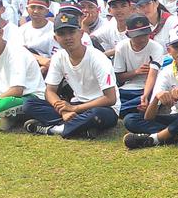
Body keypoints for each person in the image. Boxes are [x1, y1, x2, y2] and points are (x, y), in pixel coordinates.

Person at [22, 9, 120, 138]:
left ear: (81, 33)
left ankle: (55, 129)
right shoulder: (58, 57)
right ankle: (79, 128)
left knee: (96, 115)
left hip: (103, 108)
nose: (67, 37)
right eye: (62, 33)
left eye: (71, 32)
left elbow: (110, 98)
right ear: (55, 38)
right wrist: (63, 110)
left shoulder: (97, 58)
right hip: (76, 104)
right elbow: (50, 91)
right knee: (29, 104)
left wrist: (74, 109)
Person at [113, 14, 164, 115]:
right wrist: (136, 72)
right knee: (113, 97)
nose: (142, 39)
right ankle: (122, 109)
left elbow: (152, 74)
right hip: (127, 88)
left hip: (148, 88)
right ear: (128, 35)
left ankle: (118, 110)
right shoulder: (121, 47)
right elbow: (119, 77)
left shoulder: (156, 47)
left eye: (145, 35)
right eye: (137, 36)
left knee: (152, 96)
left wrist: (145, 95)